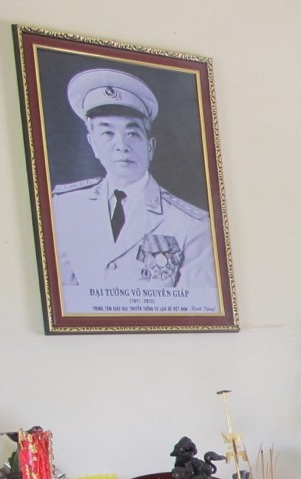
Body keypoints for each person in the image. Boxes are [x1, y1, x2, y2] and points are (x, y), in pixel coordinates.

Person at [51, 68, 218, 310]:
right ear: (93, 144)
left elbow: (196, 312)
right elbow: (61, 301)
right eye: (107, 133)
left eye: (132, 133)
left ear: (150, 147)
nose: (121, 146)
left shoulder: (194, 224)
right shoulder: (64, 207)